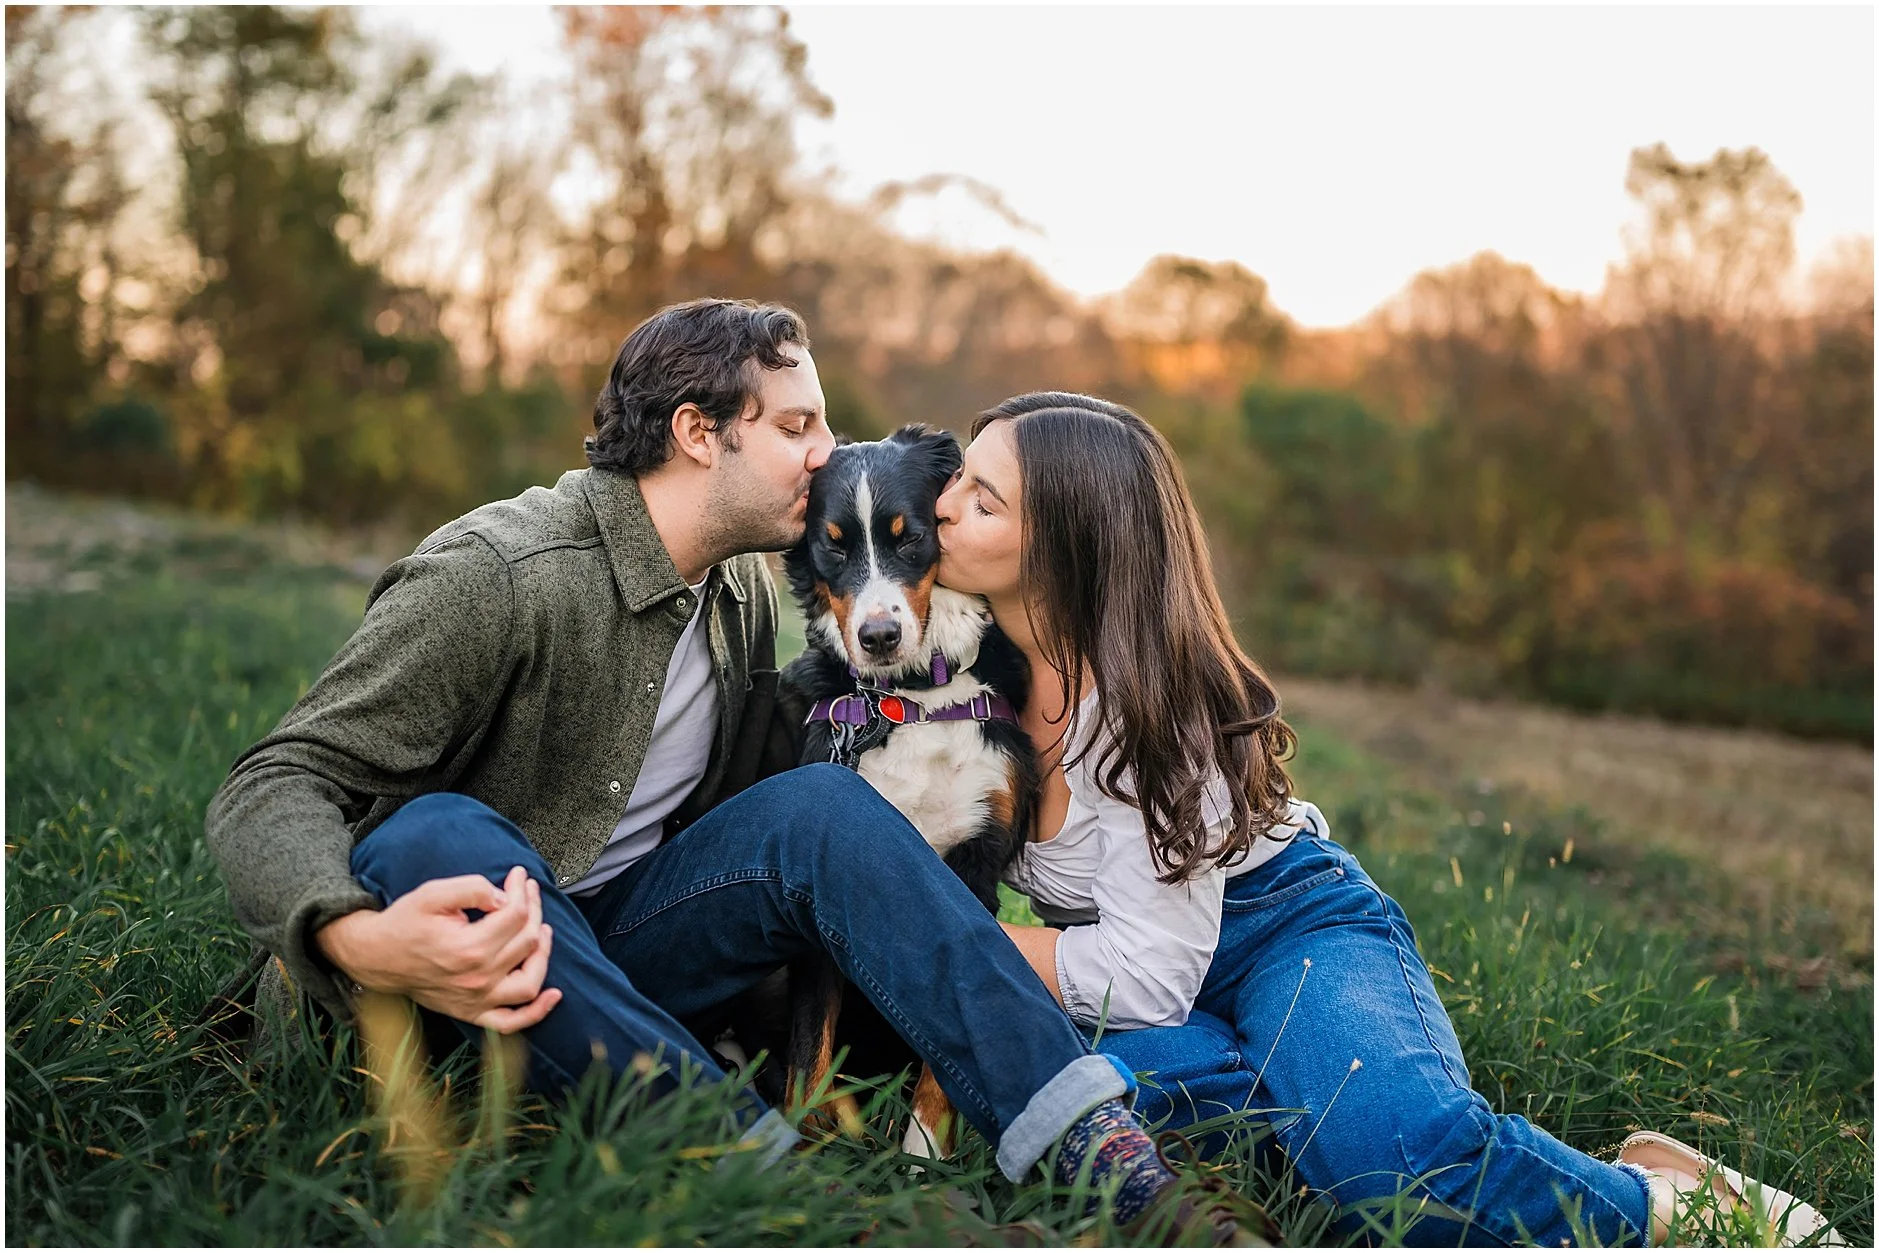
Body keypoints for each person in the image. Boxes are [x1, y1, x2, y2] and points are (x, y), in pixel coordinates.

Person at [202, 304, 1249, 1242]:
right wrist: (356, 933)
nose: (824, 454)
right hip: (467, 964)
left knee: (825, 805)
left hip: (635, 946)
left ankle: (1121, 1177)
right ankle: (839, 1214)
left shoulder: (745, 601)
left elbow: (857, 754)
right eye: (797, 428)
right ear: (699, 434)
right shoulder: (500, 574)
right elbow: (277, 778)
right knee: (435, 831)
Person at [931, 390, 1845, 1248]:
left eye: (983, 498)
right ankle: (1298, 1088)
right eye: (959, 478)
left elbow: (1141, 978)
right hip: (1146, 966)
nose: (943, 504)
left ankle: (1671, 1205)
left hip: (1284, 929)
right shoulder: (960, 675)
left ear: (1067, 546)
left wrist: (955, 938)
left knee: (1390, 1166)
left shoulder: (1156, 716)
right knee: (1063, 1108)